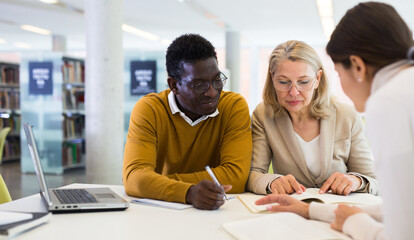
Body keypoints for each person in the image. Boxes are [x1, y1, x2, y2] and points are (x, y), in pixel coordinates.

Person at [256, 2, 414, 239]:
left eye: (339, 74)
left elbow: (401, 233)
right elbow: (401, 209)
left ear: (358, 66)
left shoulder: (388, 101)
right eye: (284, 82)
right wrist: (312, 210)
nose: (294, 92)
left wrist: (355, 223)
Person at [122, 34, 252, 210]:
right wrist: (189, 192)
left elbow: (236, 177)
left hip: (216, 212)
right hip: (161, 212)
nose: (212, 92)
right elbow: (134, 178)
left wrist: (155, 183)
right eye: (199, 85)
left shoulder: (233, 106)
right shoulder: (150, 109)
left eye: (216, 80)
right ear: (174, 85)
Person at [246, 40, 378, 196]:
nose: (294, 92)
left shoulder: (346, 115)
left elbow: (372, 180)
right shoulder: (264, 114)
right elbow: (254, 174)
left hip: (337, 210)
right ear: (272, 78)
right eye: (283, 82)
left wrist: (356, 180)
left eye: (303, 82)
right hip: (290, 211)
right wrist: (272, 182)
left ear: (317, 79)